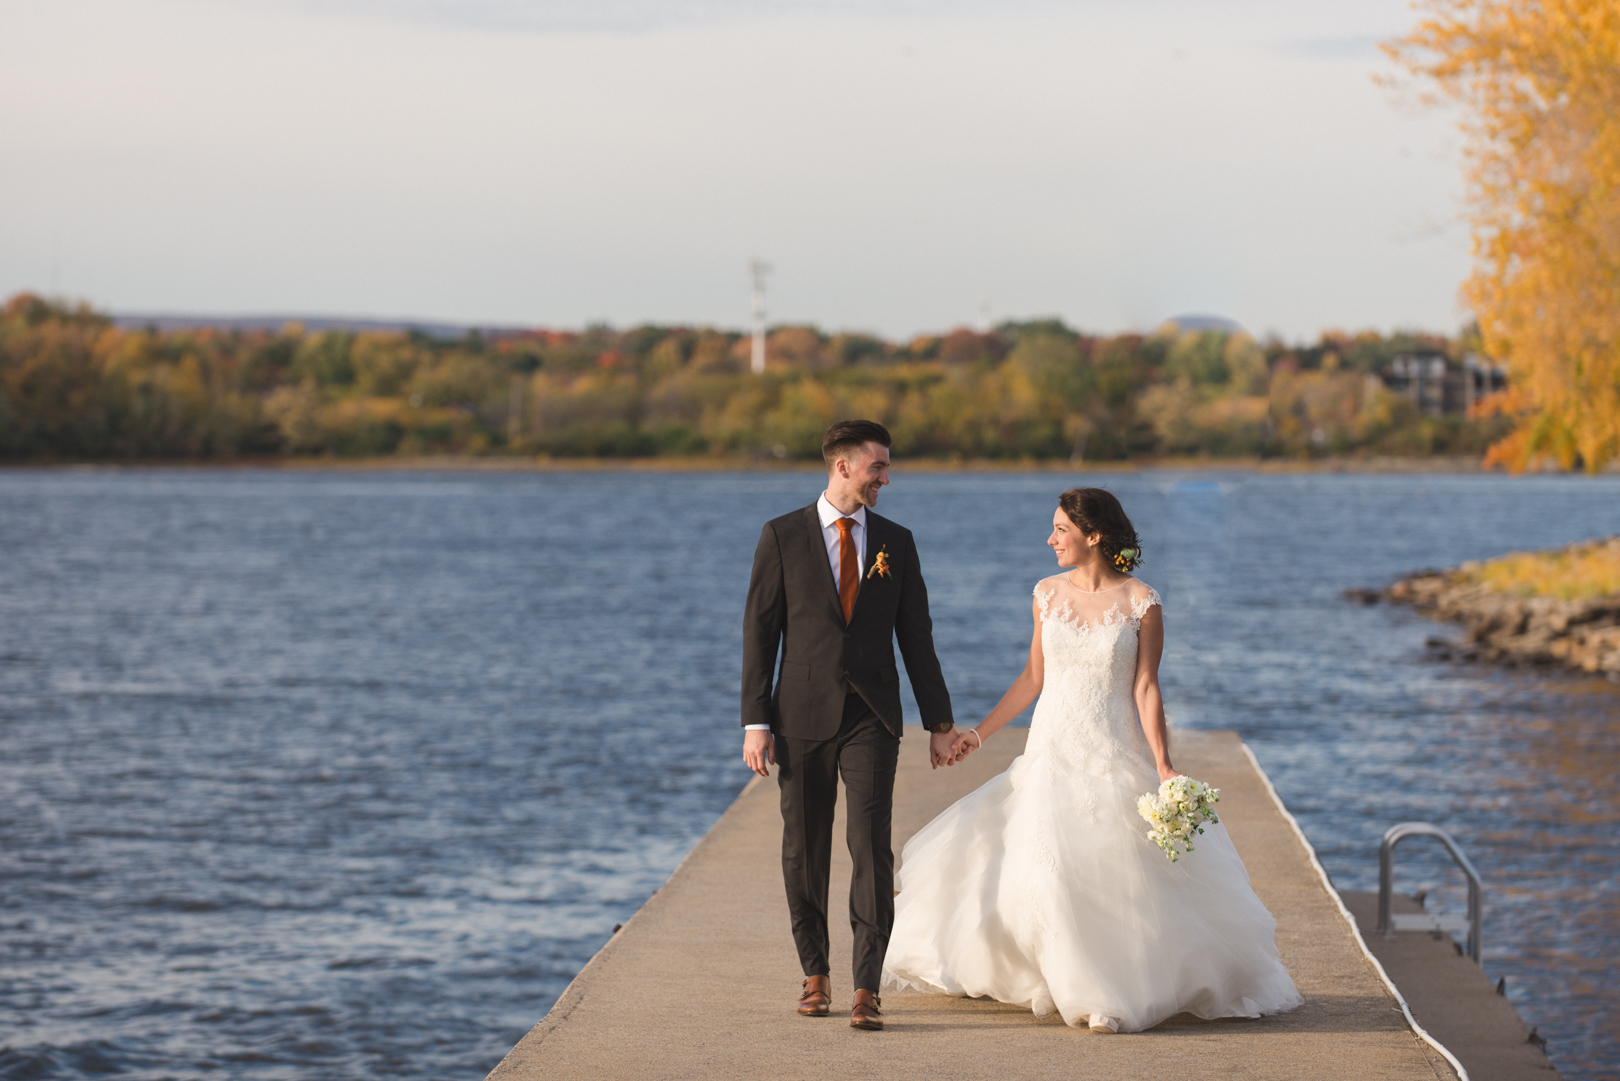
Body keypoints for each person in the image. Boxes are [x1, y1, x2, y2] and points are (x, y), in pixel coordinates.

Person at [880, 487, 1303, 1033]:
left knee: (1113, 873)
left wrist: (1165, 765)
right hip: (1051, 752)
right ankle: (1063, 979)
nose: (1050, 539)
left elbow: (1147, 688)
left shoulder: (1141, 603)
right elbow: (1033, 678)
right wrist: (977, 736)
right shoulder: (1046, 595)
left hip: (1113, 751)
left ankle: (1105, 989)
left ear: (1093, 535)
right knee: (1047, 869)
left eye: (1060, 529)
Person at [741, 419, 957, 1032]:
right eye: (877, 468)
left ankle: (866, 986)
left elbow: (917, 637)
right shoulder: (781, 536)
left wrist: (938, 721)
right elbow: (760, 635)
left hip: (872, 715)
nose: (885, 478)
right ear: (843, 467)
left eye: (886, 468)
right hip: (800, 716)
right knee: (804, 849)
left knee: (870, 848)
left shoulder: (897, 540)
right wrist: (756, 722)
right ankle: (815, 974)